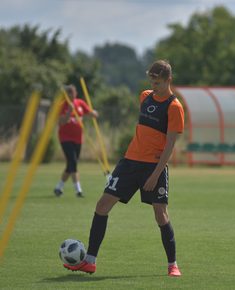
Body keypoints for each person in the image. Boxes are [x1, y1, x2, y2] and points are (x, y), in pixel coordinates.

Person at [63, 60, 184, 277]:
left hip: (153, 167)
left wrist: (155, 174)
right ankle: (90, 261)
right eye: (151, 81)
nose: (153, 86)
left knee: (160, 213)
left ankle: (172, 265)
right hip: (129, 163)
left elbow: (170, 146)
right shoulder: (144, 96)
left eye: (157, 82)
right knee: (102, 205)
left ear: (168, 80)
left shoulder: (175, 108)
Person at [54, 84, 98, 198]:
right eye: (69, 93)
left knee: (71, 164)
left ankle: (58, 187)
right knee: (73, 162)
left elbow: (90, 112)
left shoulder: (80, 103)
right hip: (65, 138)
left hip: (78, 139)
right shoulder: (61, 105)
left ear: (75, 93)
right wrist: (69, 111)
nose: (71, 95)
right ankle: (78, 190)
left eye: (73, 92)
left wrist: (94, 113)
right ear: (66, 94)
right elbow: (61, 122)